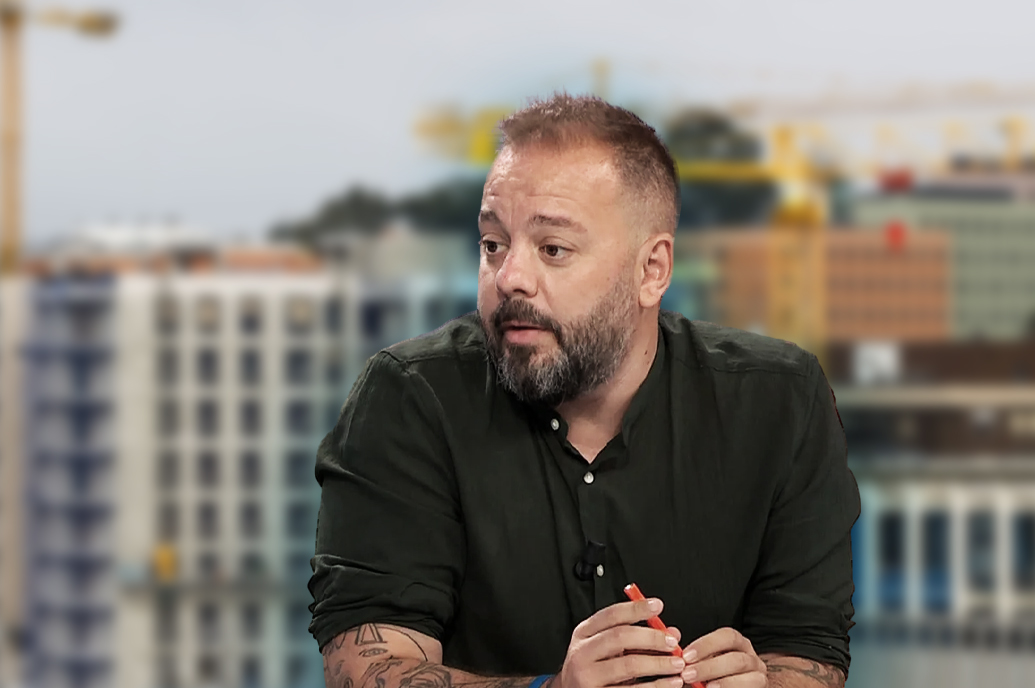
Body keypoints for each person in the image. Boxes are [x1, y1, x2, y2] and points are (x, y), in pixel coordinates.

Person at [308, 94, 859, 688]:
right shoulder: (408, 396)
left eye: (553, 249)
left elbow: (810, 652)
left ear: (652, 271)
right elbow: (365, 670)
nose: (510, 278)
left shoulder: (782, 402)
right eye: (493, 245)